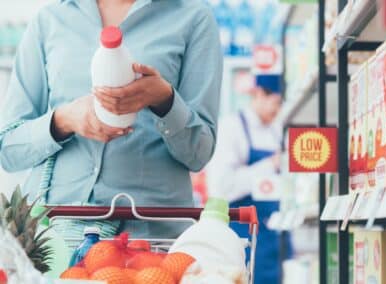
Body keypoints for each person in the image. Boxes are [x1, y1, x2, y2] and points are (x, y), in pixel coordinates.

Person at [0, 0, 222, 238]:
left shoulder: (193, 17)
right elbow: (8, 150)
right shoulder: (50, 20)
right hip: (53, 236)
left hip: (149, 238)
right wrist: (63, 121)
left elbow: (200, 154)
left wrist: (165, 101)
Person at [207, 74, 293, 284]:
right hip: (243, 236)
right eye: (277, 103)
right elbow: (222, 187)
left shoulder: (276, 131)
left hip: (275, 237)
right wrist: (269, 165)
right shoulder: (231, 128)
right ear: (260, 94)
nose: (279, 110)